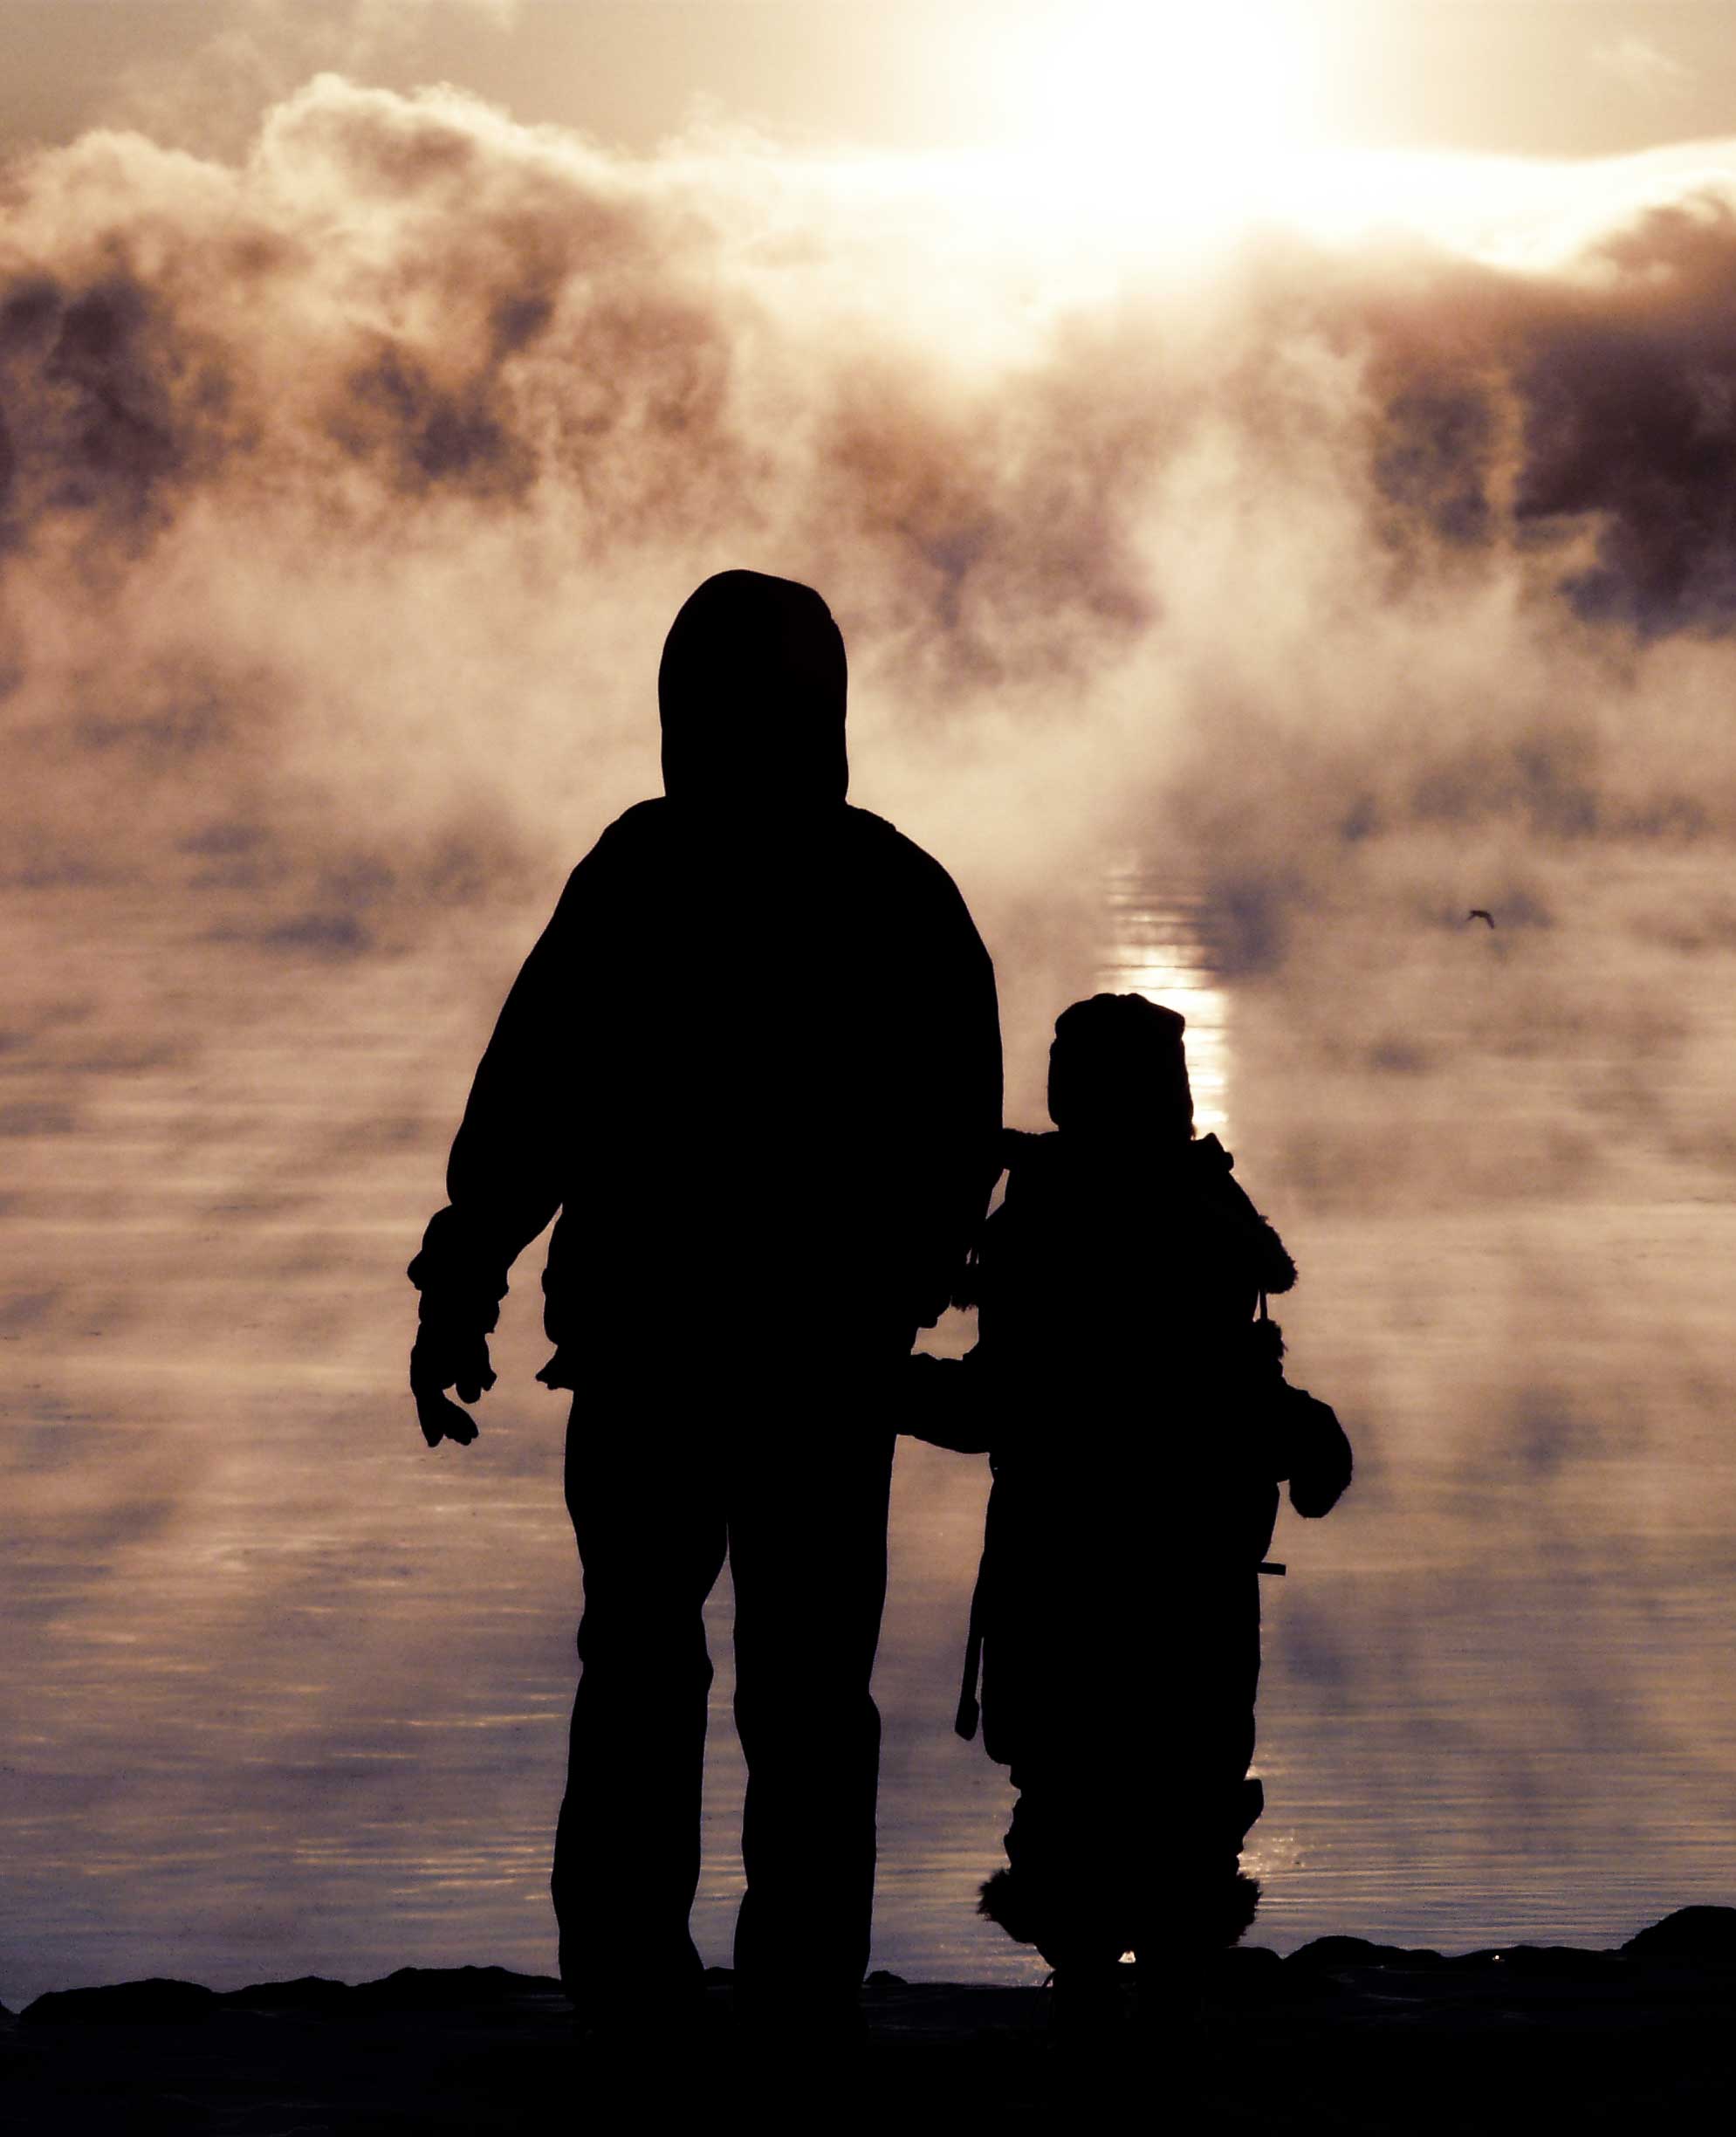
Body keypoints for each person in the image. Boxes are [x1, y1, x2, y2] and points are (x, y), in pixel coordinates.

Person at [406, 570, 1003, 2038]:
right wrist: (902, 1288)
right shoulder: (894, 891)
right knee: (788, 1691)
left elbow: (526, 1103)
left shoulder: (643, 872)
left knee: (654, 1670)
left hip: (671, 1354)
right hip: (785, 1361)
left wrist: (464, 1277)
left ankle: (637, 1984)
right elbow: (956, 1129)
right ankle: (780, 1992)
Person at [908, 993, 1350, 2020]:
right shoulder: (1201, 1217)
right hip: (1183, 1578)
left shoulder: (1040, 1218)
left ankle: (1097, 1996)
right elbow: (1226, 1386)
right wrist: (1305, 1439)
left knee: (1086, 1804)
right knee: (1172, 1808)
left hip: (1066, 1575)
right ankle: (1151, 2001)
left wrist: (877, 1388)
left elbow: (1003, 1401)